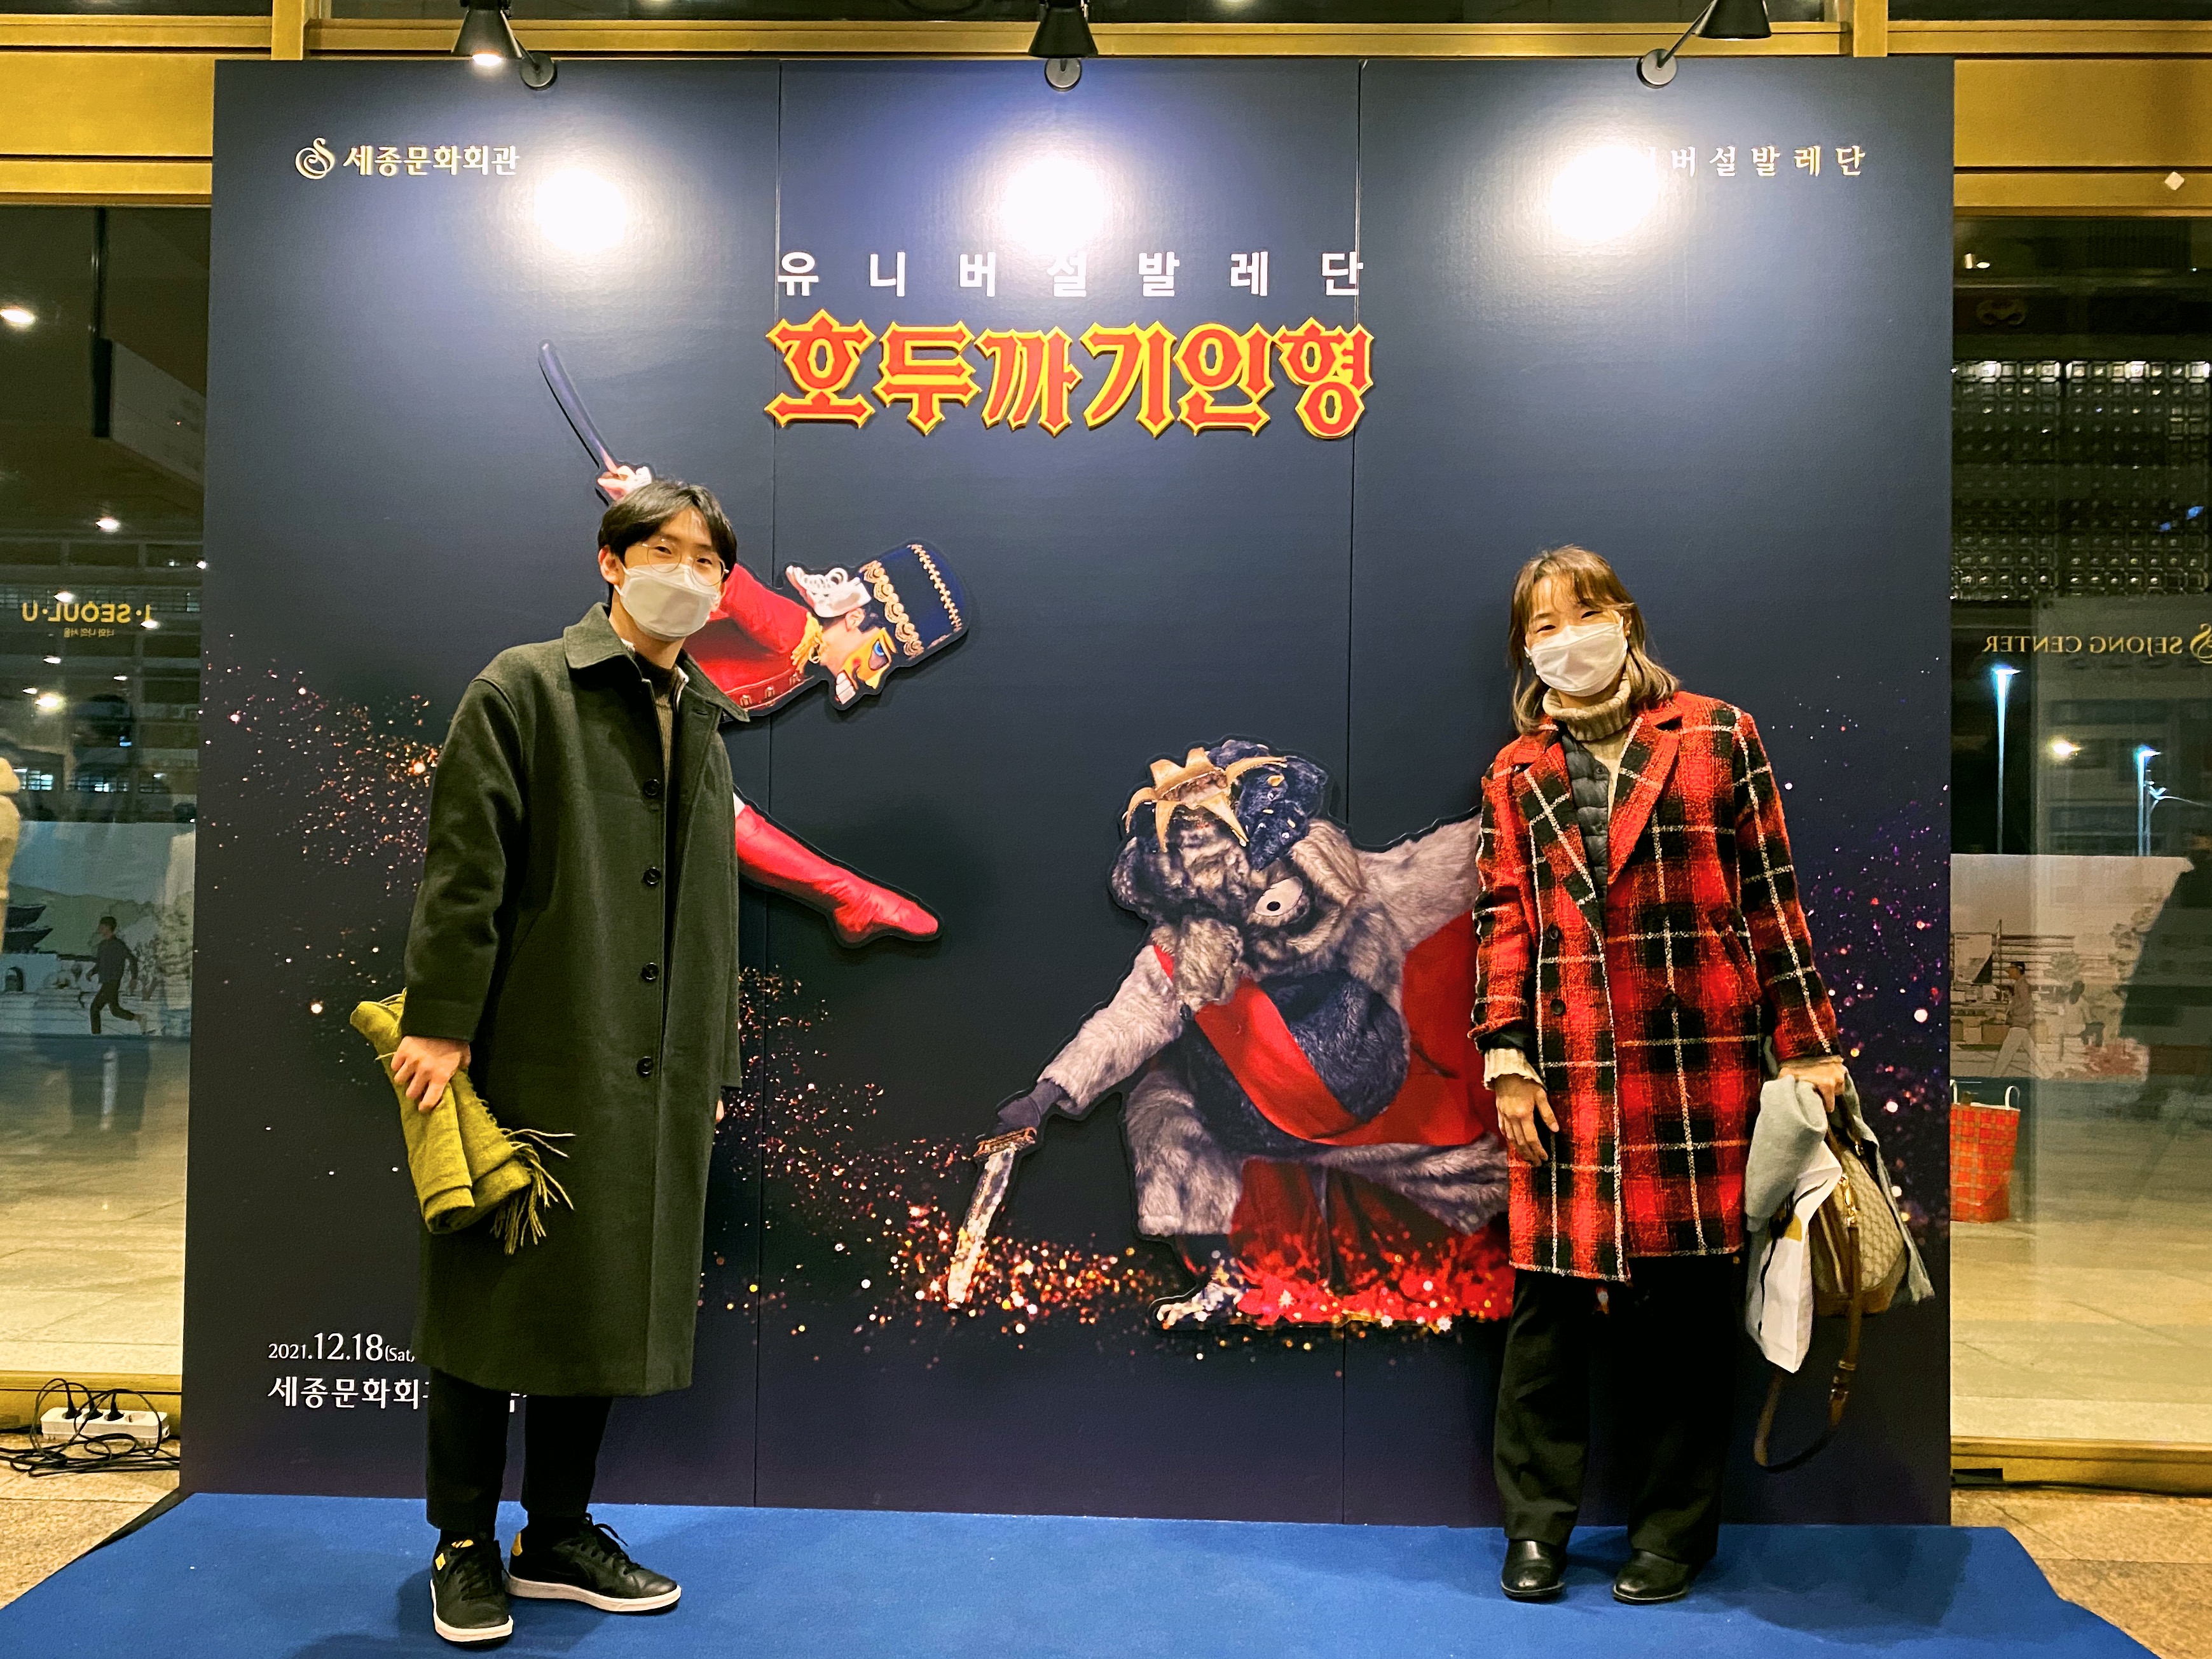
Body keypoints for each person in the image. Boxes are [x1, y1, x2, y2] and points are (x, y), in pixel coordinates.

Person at [389, 479, 749, 1646]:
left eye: (706, 561)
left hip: (650, 1062)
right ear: (610, 560)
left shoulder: (701, 714)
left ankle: (554, 1532)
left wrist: (708, 1061)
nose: (684, 574)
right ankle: (461, 1541)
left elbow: (710, 911)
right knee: (488, 1295)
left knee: (601, 1291)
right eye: (662, 550)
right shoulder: (524, 687)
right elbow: (465, 869)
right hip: (531, 1040)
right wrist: (441, 1020)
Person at [1471, 546, 1846, 1607]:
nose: (1566, 637)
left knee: (1681, 1317)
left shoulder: (1717, 733)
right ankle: (1534, 1529)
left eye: (1581, 612)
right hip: (1563, 1074)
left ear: (1623, 618)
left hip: (1693, 1069)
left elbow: (1770, 895)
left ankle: (1671, 1533)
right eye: (1542, 624)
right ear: (1524, 648)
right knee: (1545, 1314)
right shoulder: (1514, 770)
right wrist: (1504, 1052)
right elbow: (1501, 918)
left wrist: (1807, 1042)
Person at [88, 916, 141, 1036]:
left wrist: (134, 978)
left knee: (95, 1008)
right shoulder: (102, 945)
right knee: (115, 1010)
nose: (99, 929)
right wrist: (92, 971)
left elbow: (132, 959)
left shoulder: (118, 945)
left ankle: (96, 1036)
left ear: (108, 927)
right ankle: (140, 1018)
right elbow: (100, 964)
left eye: (102, 926)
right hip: (106, 981)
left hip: (113, 981)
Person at [1993, 960, 2039, 1077]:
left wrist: (2012, 1014)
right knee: (2033, 1052)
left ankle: (1995, 1076)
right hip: (2021, 1023)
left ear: (2018, 970)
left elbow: (2026, 1005)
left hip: (2019, 1023)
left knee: (2006, 1052)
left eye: (2011, 969)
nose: (2009, 972)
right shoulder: (2019, 983)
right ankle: (2049, 1074)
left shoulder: (2021, 984)